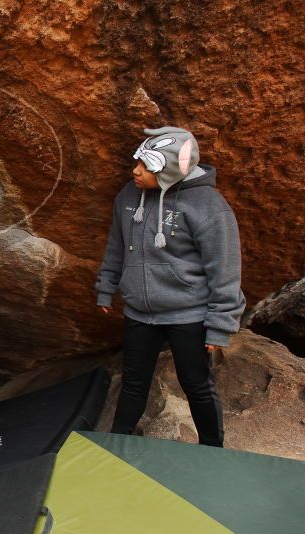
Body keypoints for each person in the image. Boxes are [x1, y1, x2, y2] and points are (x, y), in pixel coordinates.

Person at [95, 126, 246, 447]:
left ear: (173, 169)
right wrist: (106, 285)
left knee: (197, 384)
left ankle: (212, 449)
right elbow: (116, 246)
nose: (135, 170)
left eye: (147, 165)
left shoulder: (208, 206)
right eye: (138, 161)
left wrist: (220, 325)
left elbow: (225, 268)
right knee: (134, 382)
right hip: (140, 313)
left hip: (188, 315)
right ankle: (116, 444)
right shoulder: (127, 196)